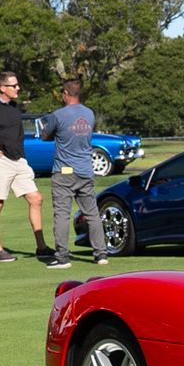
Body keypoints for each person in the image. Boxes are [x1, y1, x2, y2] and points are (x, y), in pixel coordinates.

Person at [0, 69, 51, 263]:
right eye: (14, 85)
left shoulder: (14, 107)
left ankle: (41, 247)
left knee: (36, 199)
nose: (18, 88)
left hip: (19, 160)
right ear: (2, 88)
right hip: (0, 161)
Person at [46, 78, 110, 268]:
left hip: (64, 171)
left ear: (65, 93)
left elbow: (45, 135)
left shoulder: (58, 115)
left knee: (62, 214)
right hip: (85, 170)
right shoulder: (89, 114)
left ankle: (62, 257)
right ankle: (101, 254)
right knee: (92, 213)